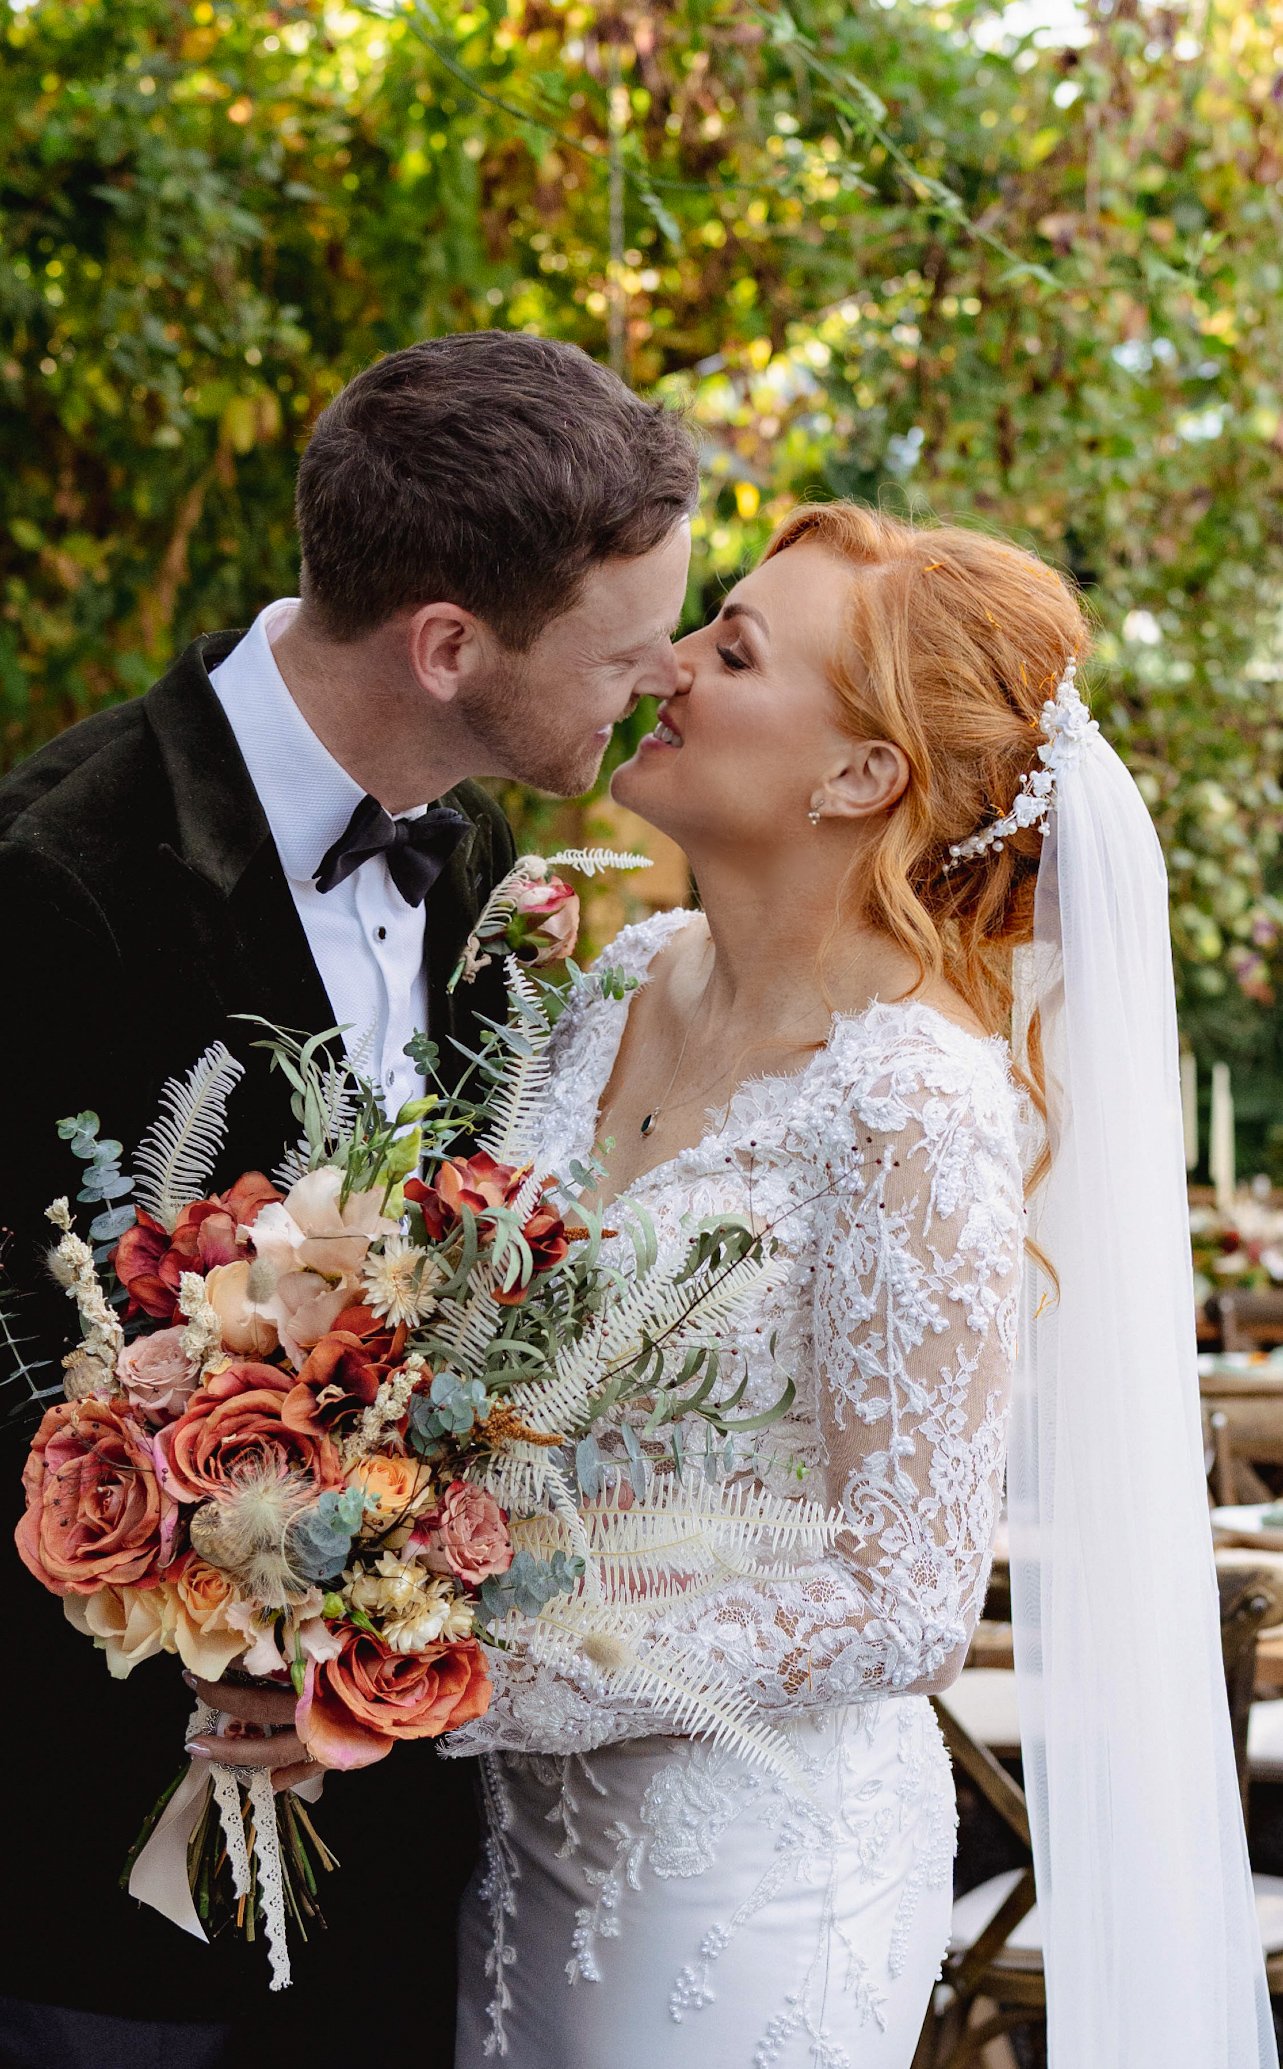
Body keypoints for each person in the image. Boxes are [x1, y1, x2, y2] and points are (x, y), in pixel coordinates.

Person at [446, 503, 1274, 2067]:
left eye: (733, 647)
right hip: (510, 1853)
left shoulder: (912, 1100)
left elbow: (902, 1602)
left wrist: (475, 1674)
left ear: (858, 776)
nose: (668, 664)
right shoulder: (619, 981)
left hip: (742, 1882)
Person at [0, 331, 696, 2066]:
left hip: (416, 1870)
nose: (663, 676)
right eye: (624, 645)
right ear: (448, 644)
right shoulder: (57, 882)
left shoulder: (466, 847)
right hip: (116, 1892)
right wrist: (219, 1594)